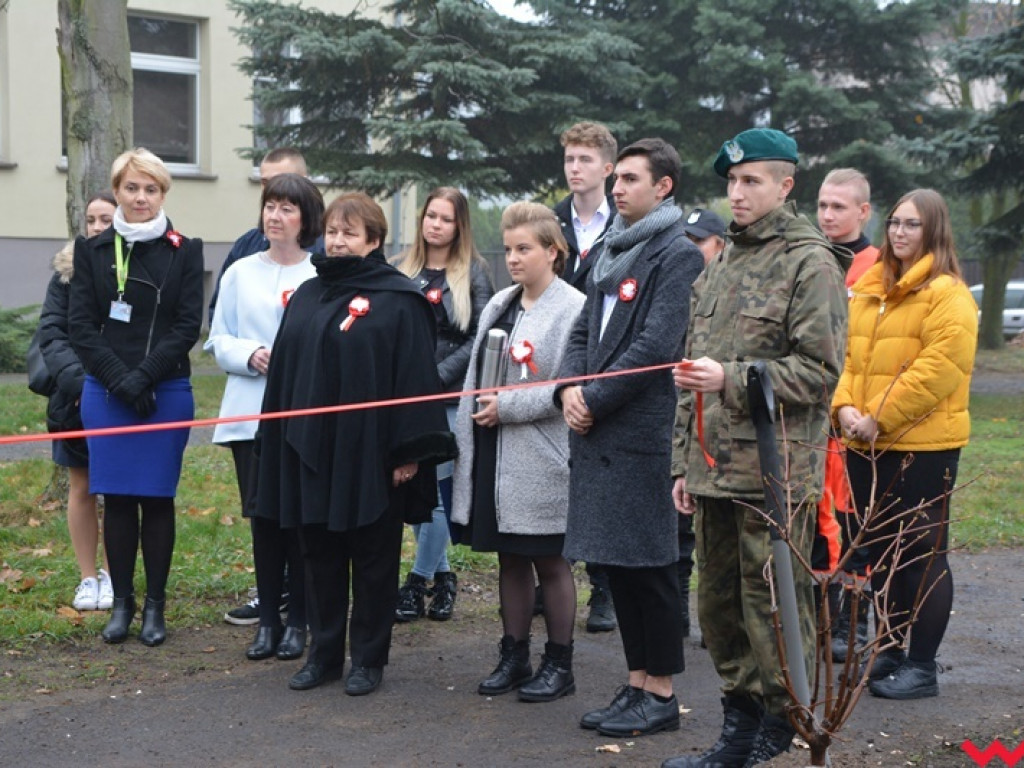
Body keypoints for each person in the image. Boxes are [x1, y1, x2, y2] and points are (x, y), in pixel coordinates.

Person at [664, 128, 849, 768]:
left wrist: (736, 377)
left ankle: (785, 720)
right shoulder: (721, 266)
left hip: (773, 474)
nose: (737, 194)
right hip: (714, 471)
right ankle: (738, 729)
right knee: (717, 609)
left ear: (785, 186)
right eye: (732, 182)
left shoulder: (811, 262)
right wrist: (683, 464)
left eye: (751, 182)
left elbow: (819, 375)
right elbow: (692, 376)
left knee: (771, 605)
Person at [254, 192, 456, 695]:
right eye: (333, 231)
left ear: (374, 241)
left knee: (372, 557)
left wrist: (409, 451)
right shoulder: (308, 294)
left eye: (350, 233)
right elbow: (285, 372)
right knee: (317, 555)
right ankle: (323, 656)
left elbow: (415, 377)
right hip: (311, 451)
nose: (338, 241)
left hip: (373, 453)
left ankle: (368, 658)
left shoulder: (399, 299)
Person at [556, 138, 704, 738]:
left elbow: (656, 348)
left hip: (641, 436)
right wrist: (568, 385)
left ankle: (662, 693)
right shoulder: (611, 249)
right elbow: (583, 328)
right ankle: (637, 679)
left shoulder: (678, 255)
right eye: (615, 180)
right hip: (598, 436)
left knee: (652, 568)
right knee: (617, 568)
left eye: (630, 180)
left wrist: (592, 397)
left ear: (663, 187)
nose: (616, 189)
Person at [833, 188, 976, 700]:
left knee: (922, 552)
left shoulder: (948, 294)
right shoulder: (873, 290)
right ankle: (888, 651)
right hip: (866, 443)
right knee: (883, 552)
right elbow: (848, 360)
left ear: (933, 230)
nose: (898, 232)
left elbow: (938, 371)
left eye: (911, 224)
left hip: (923, 446)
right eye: (894, 222)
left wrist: (879, 417)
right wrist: (845, 407)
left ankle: (922, 666)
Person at [69, 148, 204, 647]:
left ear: (162, 193)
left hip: (165, 389)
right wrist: (120, 380)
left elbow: (187, 324)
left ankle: (156, 608)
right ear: (118, 191)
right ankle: (122, 603)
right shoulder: (95, 250)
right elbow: (81, 327)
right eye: (132, 188)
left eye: (151, 189)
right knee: (118, 499)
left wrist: (145, 376)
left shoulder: (185, 250)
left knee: (157, 498)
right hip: (107, 391)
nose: (141, 197)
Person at [451, 202, 585, 702]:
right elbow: (475, 377)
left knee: (548, 560)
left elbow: (567, 386)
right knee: (509, 557)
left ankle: (559, 662)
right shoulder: (501, 302)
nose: (513, 258)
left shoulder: (573, 307)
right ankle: (514, 655)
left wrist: (506, 407)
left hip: (542, 458)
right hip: (494, 453)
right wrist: (473, 416)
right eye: (508, 249)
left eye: (524, 249)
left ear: (553, 252)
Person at [205, 174, 324, 662]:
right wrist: (250, 353)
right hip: (249, 414)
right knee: (264, 520)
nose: (275, 216)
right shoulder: (240, 272)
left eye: (287, 208)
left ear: (306, 218)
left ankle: (300, 620)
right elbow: (218, 337)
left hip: (302, 415)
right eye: (270, 206)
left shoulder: (320, 274)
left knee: (298, 519)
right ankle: (269, 623)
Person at [392, 187, 493, 623]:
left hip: (449, 395)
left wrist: (439, 376)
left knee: (435, 492)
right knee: (416, 489)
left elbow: (481, 336)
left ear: (459, 225)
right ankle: (445, 578)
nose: (435, 224)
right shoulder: (401, 269)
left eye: (445, 218)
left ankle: (416, 584)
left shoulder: (474, 272)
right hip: (409, 397)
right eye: (430, 215)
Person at [552, 120, 619, 633]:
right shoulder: (552, 221)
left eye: (585, 160)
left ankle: (605, 587)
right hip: (557, 358)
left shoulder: (623, 223)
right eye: (570, 159)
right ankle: (552, 578)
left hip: (606, 360)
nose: (576, 168)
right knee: (559, 475)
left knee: (601, 477)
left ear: (608, 167)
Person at [37, 191, 117, 612]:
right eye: (92, 219)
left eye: (107, 219)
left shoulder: (135, 270)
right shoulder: (65, 274)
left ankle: (112, 573)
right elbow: (51, 334)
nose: (98, 227)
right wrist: (81, 386)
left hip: (123, 396)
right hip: (74, 400)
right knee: (82, 486)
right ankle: (88, 578)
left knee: (118, 490)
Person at [816, 168, 881, 662]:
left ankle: (854, 622)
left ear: (863, 211)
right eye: (822, 206)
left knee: (855, 518)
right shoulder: (811, 260)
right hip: (808, 412)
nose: (828, 215)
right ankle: (819, 613)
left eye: (839, 207)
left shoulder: (880, 266)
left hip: (855, 417)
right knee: (815, 520)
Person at [675, 206, 728, 638]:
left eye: (698, 243)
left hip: (717, 430)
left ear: (720, 246)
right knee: (675, 533)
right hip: (676, 421)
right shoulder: (681, 288)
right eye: (684, 242)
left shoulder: (726, 294)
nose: (689, 251)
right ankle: (675, 619)